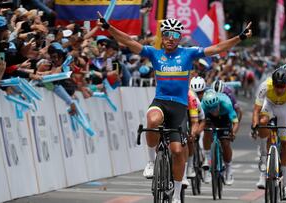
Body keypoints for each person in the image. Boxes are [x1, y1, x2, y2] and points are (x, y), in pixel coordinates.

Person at [97, 13, 252, 202]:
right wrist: (108, 27)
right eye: (167, 34)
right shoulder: (154, 53)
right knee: (152, 121)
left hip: (179, 107)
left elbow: (217, 48)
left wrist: (240, 37)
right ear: (162, 36)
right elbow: (128, 41)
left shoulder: (188, 53)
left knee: (178, 151)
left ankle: (177, 195)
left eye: (175, 34)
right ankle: (151, 162)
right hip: (161, 101)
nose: (171, 38)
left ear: (179, 38)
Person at [251, 67, 286, 200]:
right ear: (273, 84)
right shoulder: (265, 86)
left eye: (282, 86)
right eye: (277, 86)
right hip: (269, 105)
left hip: (285, 109)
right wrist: (255, 124)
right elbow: (256, 110)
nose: (279, 90)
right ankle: (263, 155)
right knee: (263, 121)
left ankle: (285, 186)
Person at [201, 90, 239, 185]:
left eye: (215, 108)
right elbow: (200, 121)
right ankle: (207, 157)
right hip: (209, 118)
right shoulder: (203, 106)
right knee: (207, 131)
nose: (214, 111)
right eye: (211, 109)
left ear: (218, 103)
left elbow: (235, 122)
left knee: (225, 143)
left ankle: (229, 169)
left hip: (224, 117)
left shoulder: (226, 103)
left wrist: (233, 132)